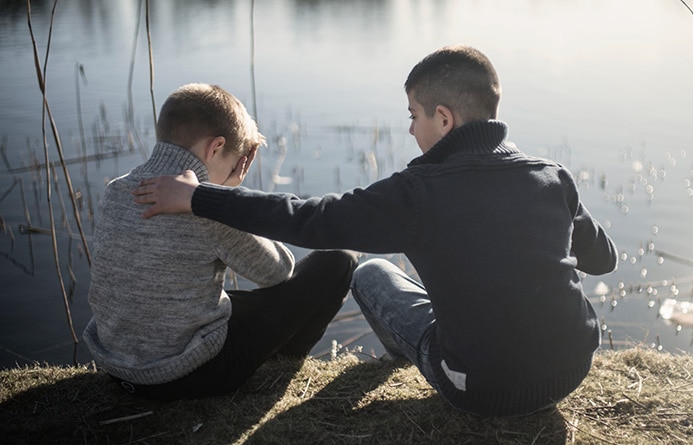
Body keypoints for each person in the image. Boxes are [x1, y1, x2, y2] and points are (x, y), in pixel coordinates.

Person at [133, 46, 617, 416]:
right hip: (572, 367)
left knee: (370, 275)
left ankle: (414, 364)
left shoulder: (418, 193)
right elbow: (603, 260)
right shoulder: (551, 176)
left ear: (443, 119)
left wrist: (197, 196)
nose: (410, 130)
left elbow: (309, 218)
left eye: (414, 115)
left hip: (482, 390)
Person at [84, 83, 358, 401]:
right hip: (189, 374)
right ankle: (285, 363)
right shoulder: (202, 206)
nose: (233, 172)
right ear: (215, 148)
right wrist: (223, 197)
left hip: (117, 370)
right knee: (340, 257)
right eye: (233, 163)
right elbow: (278, 271)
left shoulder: (116, 190)